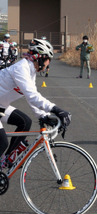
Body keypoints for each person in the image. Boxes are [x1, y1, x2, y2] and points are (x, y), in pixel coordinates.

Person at [0, 38, 71, 168]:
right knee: (1, 142)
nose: (47, 65)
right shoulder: (21, 68)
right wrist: (56, 109)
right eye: (48, 61)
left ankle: (7, 161)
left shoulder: (30, 71)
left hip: (1, 106)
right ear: (40, 57)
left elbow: (32, 97)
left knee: (25, 122)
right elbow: (32, 96)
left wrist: (43, 116)